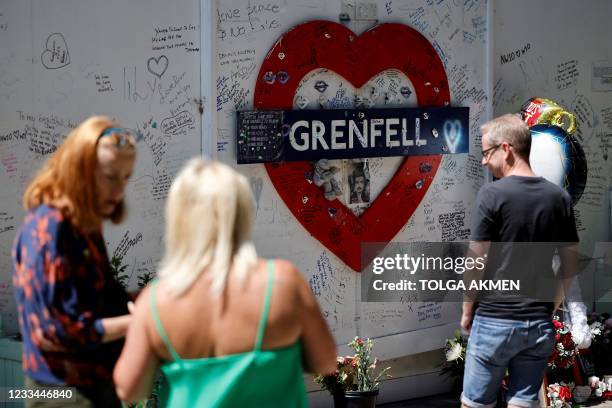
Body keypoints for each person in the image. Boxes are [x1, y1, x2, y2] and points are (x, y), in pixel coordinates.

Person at [114, 158, 337, 406]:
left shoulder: (156, 302)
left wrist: (141, 327)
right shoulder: (282, 283)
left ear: (178, 219)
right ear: (240, 212)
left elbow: (129, 390)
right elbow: (325, 362)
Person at [12, 116, 137, 407]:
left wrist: (151, 300)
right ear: (80, 171)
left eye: (126, 177)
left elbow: (99, 302)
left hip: (96, 387)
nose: (120, 191)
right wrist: (136, 323)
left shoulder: (85, 226)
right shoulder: (51, 227)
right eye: (109, 176)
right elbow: (55, 329)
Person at [460, 114, 578, 408]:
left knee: (474, 404)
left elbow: (477, 259)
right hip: (537, 324)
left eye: (487, 153)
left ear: (506, 149)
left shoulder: (492, 195)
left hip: (494, 320)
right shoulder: (558, 198)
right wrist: (549, 306)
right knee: (523, 403)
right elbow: (570, 264)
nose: (485, 162)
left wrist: (466, 310)